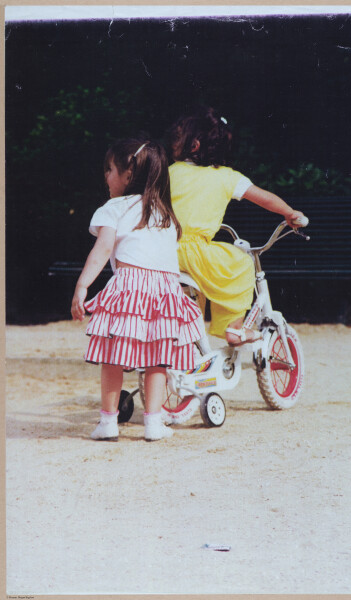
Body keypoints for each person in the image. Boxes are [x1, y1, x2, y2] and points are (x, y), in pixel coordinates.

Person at [71, 138, 205, 441]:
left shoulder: (114, 208)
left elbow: (102, 249)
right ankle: (153, 422)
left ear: (129, 175)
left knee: (113, 355)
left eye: (110, 170)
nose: (106, 176)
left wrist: (83, 286)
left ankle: (108, 422)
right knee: (159, 358)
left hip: (130, 288)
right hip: (167, 291)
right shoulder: (165, 213)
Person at [168, 106, 306, 346]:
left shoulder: (169, 172)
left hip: (164, 250)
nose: (173, 143)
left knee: (192, 296)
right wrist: (289, 213)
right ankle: (233, 329)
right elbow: (264, 198)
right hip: (196, 251)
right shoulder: (227, 177)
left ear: (195, 145)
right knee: (241, 262)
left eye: (178, 138)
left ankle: (188, 343)